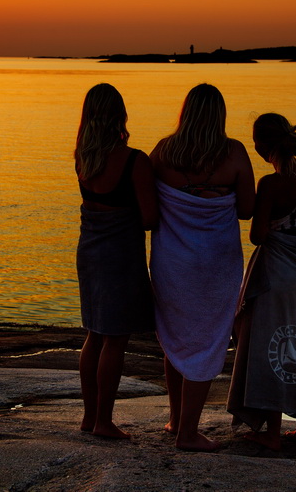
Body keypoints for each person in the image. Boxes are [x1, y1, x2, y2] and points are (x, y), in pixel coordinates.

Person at [149, 83, 255, 451]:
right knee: (208, 339)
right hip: (217, 262)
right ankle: (187, 433)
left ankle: (177, 419)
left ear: (186, 112)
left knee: (177, 335)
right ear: (220, 115)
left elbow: (145, 204)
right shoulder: (235, 153)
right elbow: (245, 209)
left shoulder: (163, 152)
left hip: (172, 261)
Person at [227, 112, 296, 450]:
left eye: (256, 140)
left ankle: (272, 432)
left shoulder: (270, 184)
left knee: (272, 348)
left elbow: (258, 236)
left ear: (264, 145)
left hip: (276, 275)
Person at [74, 83, 158, 439]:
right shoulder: (134, 160)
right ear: (119, 113)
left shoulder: (82, 156)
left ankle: (89, 417)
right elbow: (149, 218)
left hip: (89, 251)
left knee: (94, 334)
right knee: (115, 339)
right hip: (120, 256)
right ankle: (105, 422)